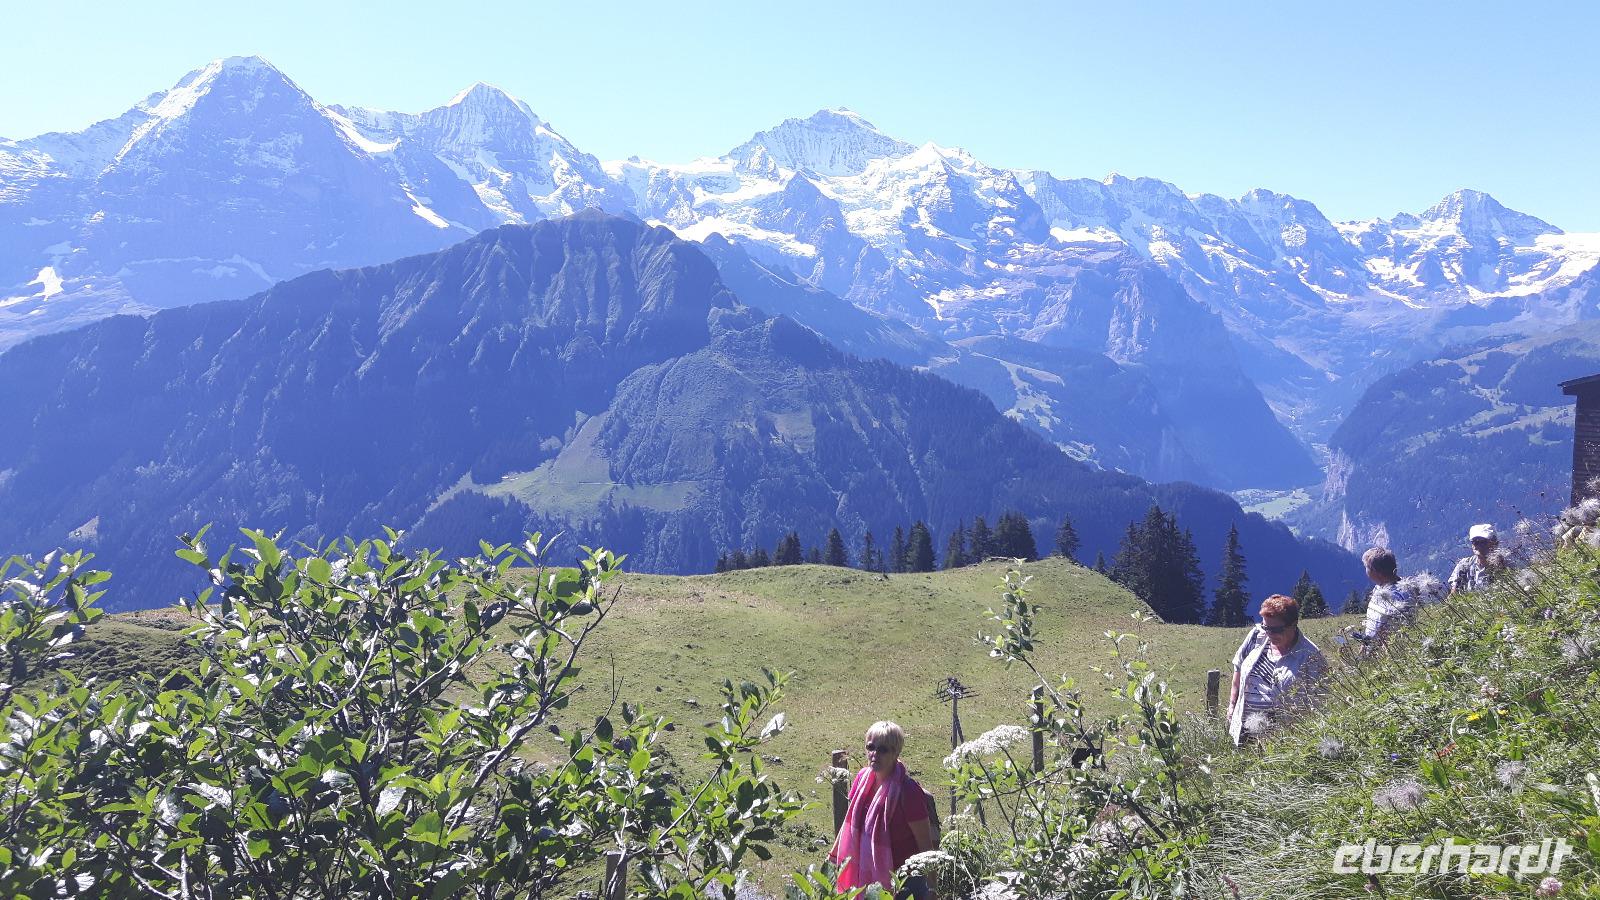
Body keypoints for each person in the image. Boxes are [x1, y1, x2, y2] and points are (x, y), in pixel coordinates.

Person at [828, 721, 935, 898]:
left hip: (903, 883)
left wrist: (932, 889)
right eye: (870, 747)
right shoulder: (862, 779)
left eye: (883, 749)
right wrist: (832, 859)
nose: (874, 754)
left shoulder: (908, 792)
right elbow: (849, 822)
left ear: (896, 752)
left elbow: (925, 846)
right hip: (863, 877)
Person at [1227, 594, 1329, 746]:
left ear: (1293, 625)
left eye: (1276, 630)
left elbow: (1321, 702)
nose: (1269, 634)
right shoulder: (1256, 636)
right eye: (1266, 627)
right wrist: (1231, 705)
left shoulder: (1310, 656)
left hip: (1281, 740)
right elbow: (1238, 667)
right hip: (1242, 730)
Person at [1356, 547, 1414, 651]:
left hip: (1390, 649)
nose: (1366, 570)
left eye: (1367, 567)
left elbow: (1397, 627)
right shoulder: (1380, 588)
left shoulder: (1396, 596)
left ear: (1377, 572)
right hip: (1373, 646)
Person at [1449, 524, 1506, 595]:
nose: (1479, 545)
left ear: (1495, 543)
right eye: (1475, 542)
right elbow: (1454, 596)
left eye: (1483, 542)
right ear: (1472, 545)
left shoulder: (1505, 564)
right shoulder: (1464, 565)